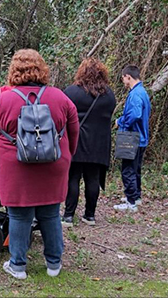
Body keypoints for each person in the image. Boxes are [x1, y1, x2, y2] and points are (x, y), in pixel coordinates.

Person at [0, 49, 79, 280]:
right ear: (42, 69)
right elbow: (74, 131)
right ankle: (54, 264)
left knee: (19, 216)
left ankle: (18, 265)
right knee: (51, 214)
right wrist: (67, 157)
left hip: (15, 166)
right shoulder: (61, 98)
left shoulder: (2, 99)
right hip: (54, 165)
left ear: (14, 71)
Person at [62, 58, 116, 227]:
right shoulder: (109, 96)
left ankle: (69, 216)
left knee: (73, 178)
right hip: (99, 144)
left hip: (76, 141)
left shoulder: (71, 92)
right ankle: (90, 215)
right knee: (93, 179)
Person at [113, 65, 151, 213]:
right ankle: (136, 196)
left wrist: (120, 122)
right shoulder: (143, 92)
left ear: (128, 76)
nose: (123, 82)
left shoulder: (135, 94)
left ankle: (130, 202)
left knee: (128, 169)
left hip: (133, 137)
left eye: (123, 78)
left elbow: (135, 114)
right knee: (135, 169)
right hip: (141, 137)